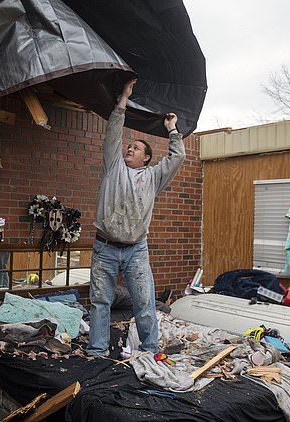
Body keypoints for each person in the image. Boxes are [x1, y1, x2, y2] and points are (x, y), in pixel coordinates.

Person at [86, 78, 185, 356]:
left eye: (137, 148)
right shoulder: (113, 167)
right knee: (99, 302)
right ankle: (96, 351)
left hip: (136, 251)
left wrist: (172, 129)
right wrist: (123, 100)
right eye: (129, 147)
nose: (130, 148)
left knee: (144, 302)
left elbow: (177, 157)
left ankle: (149, 350)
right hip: (104, 248)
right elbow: (113, 133)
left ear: (147, 159)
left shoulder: (153, 177)